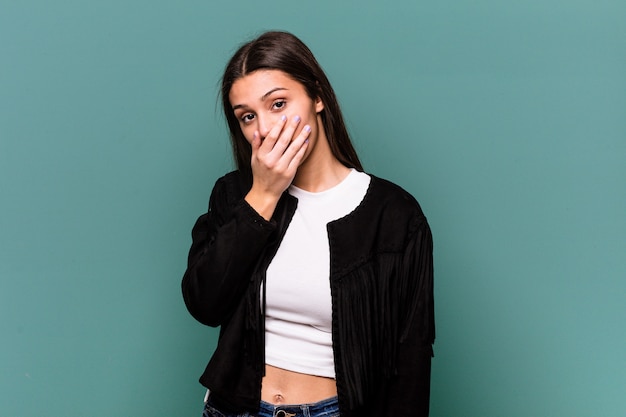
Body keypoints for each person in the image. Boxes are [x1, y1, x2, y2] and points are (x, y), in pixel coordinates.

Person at [182, 31, 434, 417]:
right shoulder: (235, 196)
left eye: (278, 103)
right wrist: (263, 196)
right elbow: (204, 304)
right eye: (248, 116)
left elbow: (411, 358)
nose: (263, 129)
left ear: (317, 97)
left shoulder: (394, 216)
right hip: (234, 409)